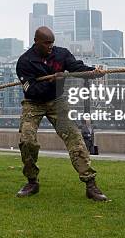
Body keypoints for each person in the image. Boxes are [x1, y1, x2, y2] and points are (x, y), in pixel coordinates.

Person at [15, 26, 108, 201]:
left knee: (75, 138)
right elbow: (33, 90)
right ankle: (32, 181)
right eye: (46, 43)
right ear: (36, 42)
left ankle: (90, 184)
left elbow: (77, 68)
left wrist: (93, 73)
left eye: (52, 43)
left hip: (57, 102)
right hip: (33, 103)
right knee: (27, 140)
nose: (50, 46)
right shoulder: (24, 62)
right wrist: (53, 82)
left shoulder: (61, 54)